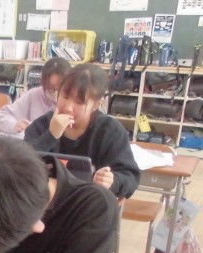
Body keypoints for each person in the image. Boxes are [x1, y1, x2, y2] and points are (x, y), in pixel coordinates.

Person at [24, 63, 140, 198]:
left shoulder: (110, 131)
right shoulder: (42, 124)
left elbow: (130, 177)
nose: (68, 107)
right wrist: (51, 135)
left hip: (88, 203)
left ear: (97, 104)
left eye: (79, 102)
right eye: (65, 96)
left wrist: (112, 181)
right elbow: (21, 166)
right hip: (45, 201)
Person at [0, 57, 71, 138]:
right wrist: (15, 125)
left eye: (60, 88)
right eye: (51, 88)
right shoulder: (35, 94)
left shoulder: (74, 101)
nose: (56, 93)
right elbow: (1, 116)